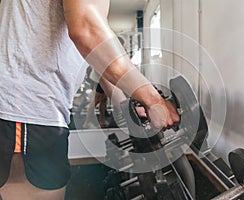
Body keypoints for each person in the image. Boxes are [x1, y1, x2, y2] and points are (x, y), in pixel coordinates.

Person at [0, 0, 179, 199]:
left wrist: (129, 107)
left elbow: (99, 59)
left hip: (35, 108)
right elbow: (86, 30)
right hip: (24, 108)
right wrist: (154, 100)